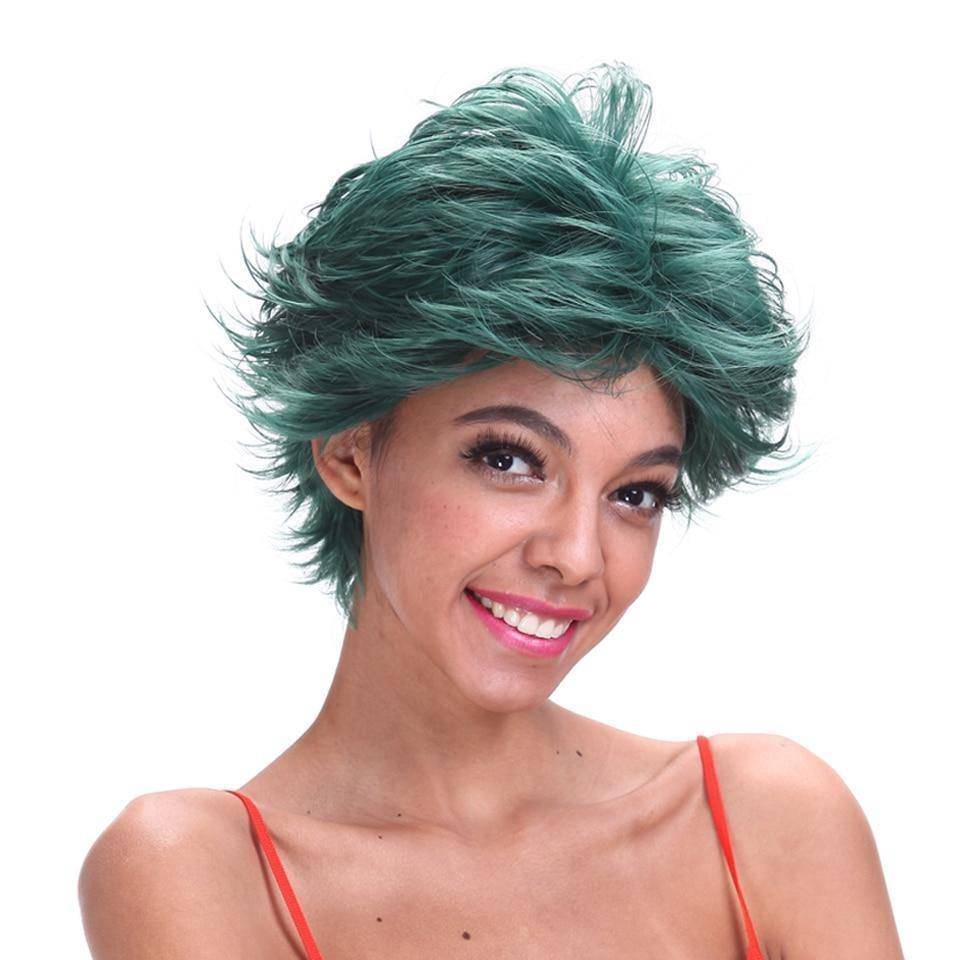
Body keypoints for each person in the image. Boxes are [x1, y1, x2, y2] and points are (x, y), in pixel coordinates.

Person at [77, 63, 905, 959]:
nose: (577, 557)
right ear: (349, 451)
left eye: (635, 494)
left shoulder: (765, 821)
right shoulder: (199, 869)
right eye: (509, 459)